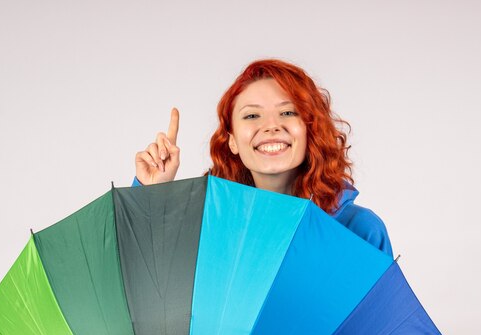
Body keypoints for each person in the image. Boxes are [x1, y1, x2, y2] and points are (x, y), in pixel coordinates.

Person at [133, 59, 393, 256]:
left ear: (310, 129)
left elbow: (383, 324)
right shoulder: (207, 229)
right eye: (251, 115)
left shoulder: (359, 230)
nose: (271, 126)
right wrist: (151, 195)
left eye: (288, 113)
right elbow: (145, 279)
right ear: (232, 140)